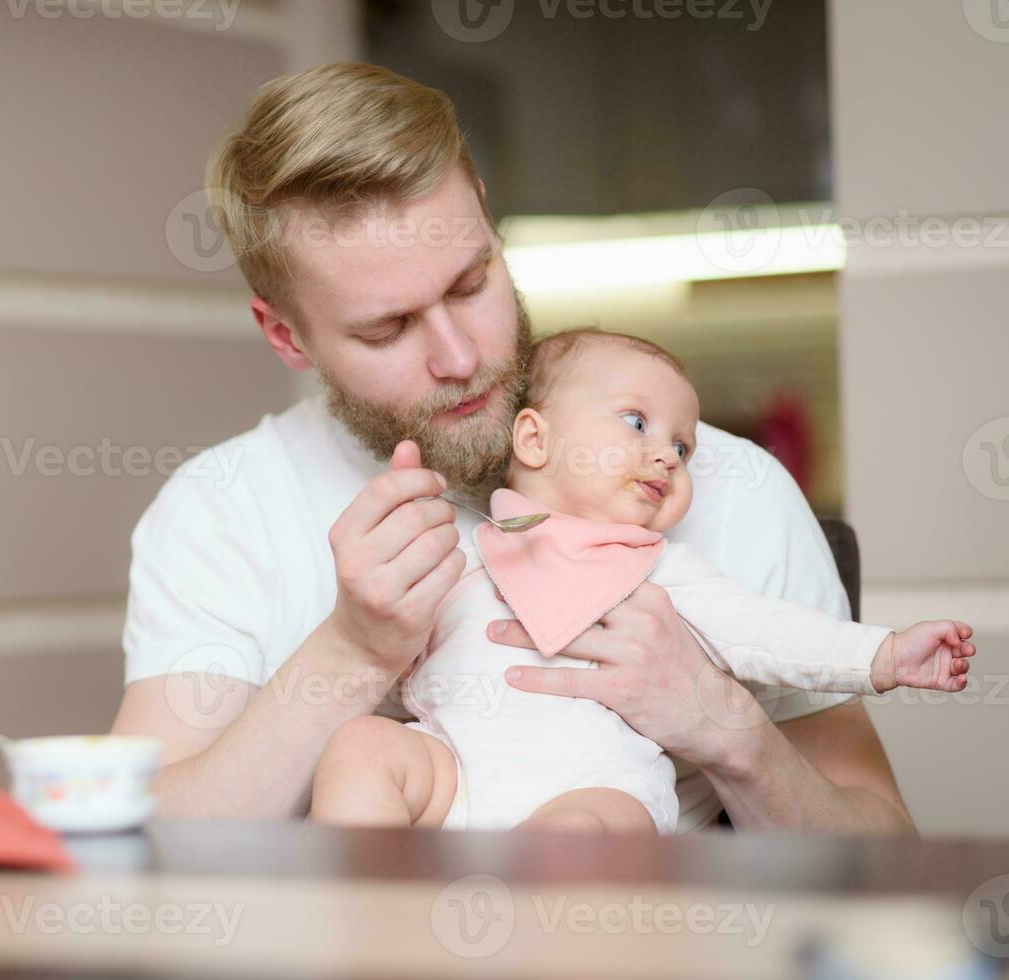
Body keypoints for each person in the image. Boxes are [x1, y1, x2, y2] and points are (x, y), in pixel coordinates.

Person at [110, 62, 916, 833]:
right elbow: (142, 842)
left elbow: (884, 857)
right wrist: (352, 653)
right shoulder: (224, 512)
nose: (459, 356)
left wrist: (729, 729)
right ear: (285, 336)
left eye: (471, 282)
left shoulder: (727, 485)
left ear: (490, 223)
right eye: (387, 328)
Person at [308, 328, 975, 833]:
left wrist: (881, 654)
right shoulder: (466, 554)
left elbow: (767, 633)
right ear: (535, 441)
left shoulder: (658, 574)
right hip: (456, 774)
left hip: (597, 794)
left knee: (577, 839)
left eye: (682, 449)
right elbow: (402, 668)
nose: (666, 453)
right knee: (360, 748)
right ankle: (373, 933)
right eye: (636, 422)